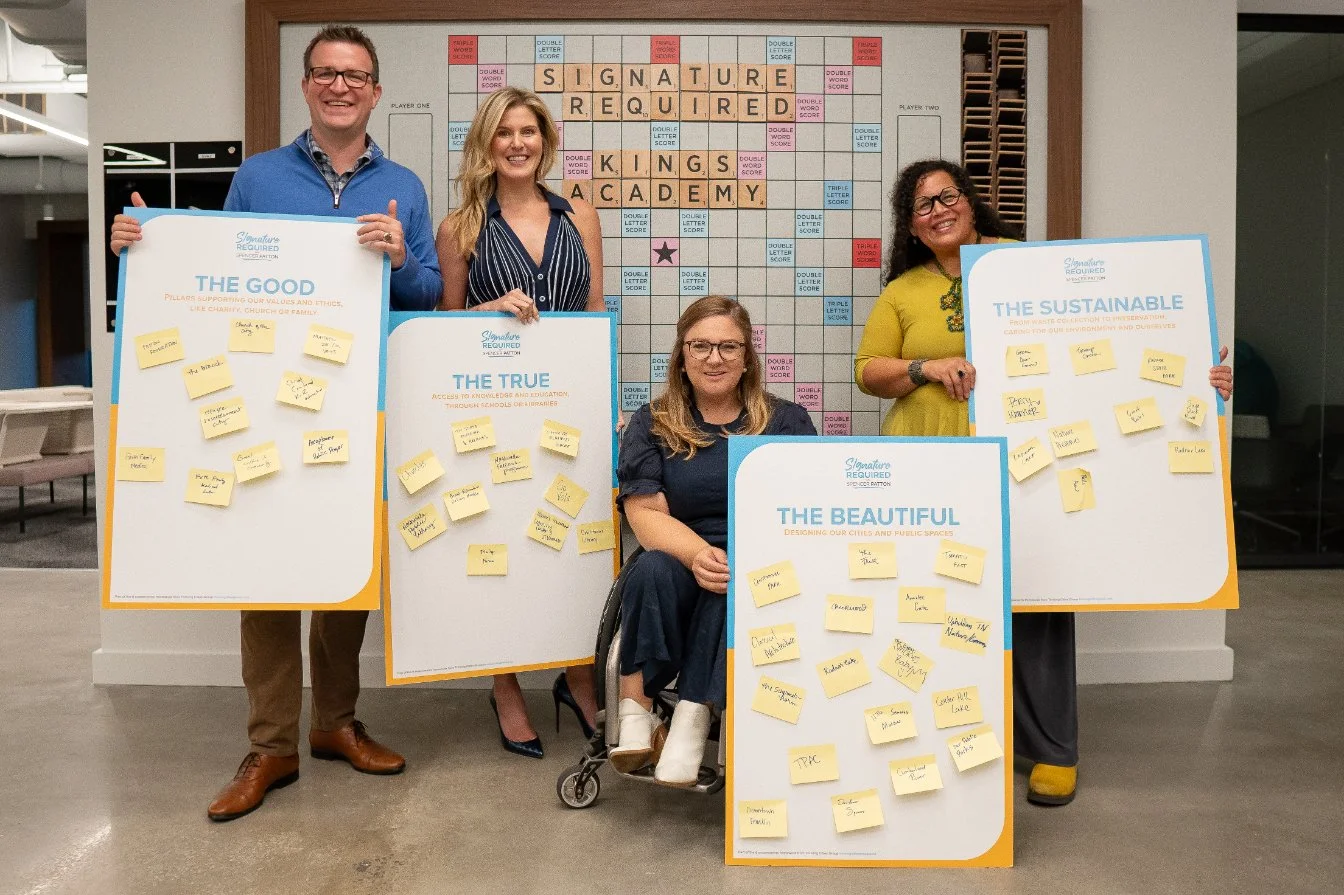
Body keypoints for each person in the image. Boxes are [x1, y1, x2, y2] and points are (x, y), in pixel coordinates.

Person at [109, 25, 442, 821]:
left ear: (374, 90)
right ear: (306, 87)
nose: (339, 86)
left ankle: (334, 723)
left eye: (354, 75)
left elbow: (431, 294)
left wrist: (401, 257)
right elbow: (216, 276)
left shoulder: (404, 185)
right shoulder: (257, 177)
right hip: (262, 407)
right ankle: (271, 746)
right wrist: (143, 249)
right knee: (262, 579)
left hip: (354, 408)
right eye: (325, 73)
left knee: (343, 581)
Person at [853, 158, 1234, 807]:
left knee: (1040, 596)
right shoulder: (903, 290)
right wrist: (925, 364)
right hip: (931, 456)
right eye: (922, 205)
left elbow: (1109, 341)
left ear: (971, 201)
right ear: (911, 227)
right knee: (933, 599)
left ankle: (1052, 749)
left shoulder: (1029, 267)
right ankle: (941, 740)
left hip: (1026, 455)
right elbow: (869, 370)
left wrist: (1197, 375)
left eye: (947, 196)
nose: (937, 210)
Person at [435, 87, 605, 758]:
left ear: (545, 141)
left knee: (571, 538)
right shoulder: (460, 228)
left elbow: (593, 311)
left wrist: (604, 403)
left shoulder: (580, 216)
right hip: (493, 410)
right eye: (503, 131)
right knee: (500, 541)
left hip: (567, 403)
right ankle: (504, 681)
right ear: (486, 142)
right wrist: (486, 312)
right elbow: (442, 324)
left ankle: (576, 673)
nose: (516, 142)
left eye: (528, 130)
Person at [610, 296, 817, 785]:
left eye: (728, 346)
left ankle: (690, 717)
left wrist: (729, 559)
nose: (714, 357)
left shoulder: (788, 422)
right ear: (681, 355)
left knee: (736, 575)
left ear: (748, 358)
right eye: (700, 345)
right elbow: (643, 513)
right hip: (680, 552)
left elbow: (810, 510)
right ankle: (636, 713)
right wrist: (698, 554)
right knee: (651, 566)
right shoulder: (652, 422)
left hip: (765, 560)